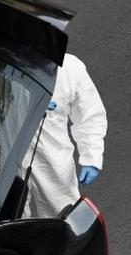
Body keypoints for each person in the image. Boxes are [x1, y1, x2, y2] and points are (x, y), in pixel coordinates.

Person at [24, 53, 107, 218]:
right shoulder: (4, 61)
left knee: (62, 213)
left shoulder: (69, 68)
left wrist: (91, 156)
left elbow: (89, 114)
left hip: (53, 156)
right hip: (8, 153)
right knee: (8, 217)